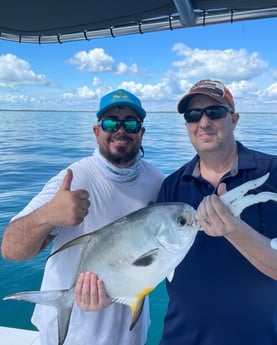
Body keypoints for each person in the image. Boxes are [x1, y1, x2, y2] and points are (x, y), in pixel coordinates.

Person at [1, 89, 164, 345]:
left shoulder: (158, 181)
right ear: (96, 131)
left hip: (131, 335)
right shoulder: (73, 180)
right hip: (71, 336)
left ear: (141, 132)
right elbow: (10, 249)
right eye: (110, 123)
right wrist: (47, 214)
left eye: (131, 123)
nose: (121, 130)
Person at [157, 79, 277, 345]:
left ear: (233, 119)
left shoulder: (272, 173)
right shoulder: (171, 186)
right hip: (180, 338)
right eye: (193, 115)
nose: (203, 122)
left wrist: (235, 230)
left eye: (214, 112)